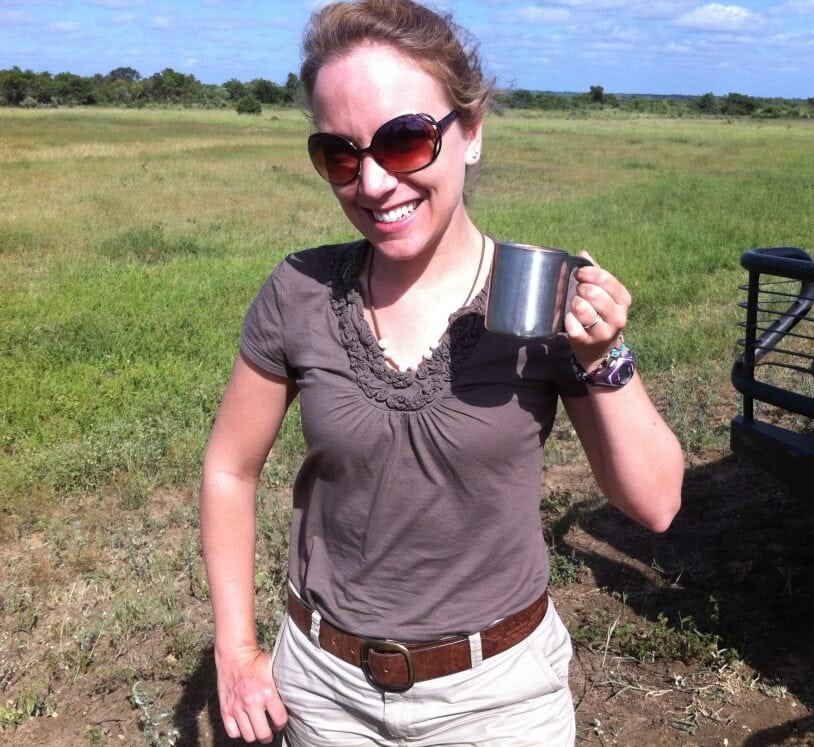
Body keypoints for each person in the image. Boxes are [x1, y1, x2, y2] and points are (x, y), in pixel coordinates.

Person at [199, 0, 684, 744]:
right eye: (340, 153)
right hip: (328, 695)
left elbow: (654, 502)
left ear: (473, 131)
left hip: (500, 699)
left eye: (403, 141)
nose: (372, 183)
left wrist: (602, 352)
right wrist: (235, 651)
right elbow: (231, 469)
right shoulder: (299, 292)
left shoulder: (543, 298)